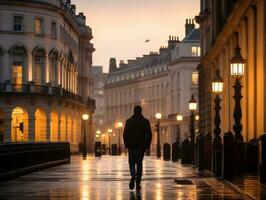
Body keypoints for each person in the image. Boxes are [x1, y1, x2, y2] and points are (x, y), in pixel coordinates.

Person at [123, 105, 152, 190]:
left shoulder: (129, 121)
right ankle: (138, 182)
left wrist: (126, 145)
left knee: (131, 162)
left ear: (134, 111)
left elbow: (125, 134)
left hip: (131, 146)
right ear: (141, 111)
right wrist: (147, 145)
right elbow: (149, 134)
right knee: (139, 164)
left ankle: (133, 176)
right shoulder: (145, 121)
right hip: (141, 146)